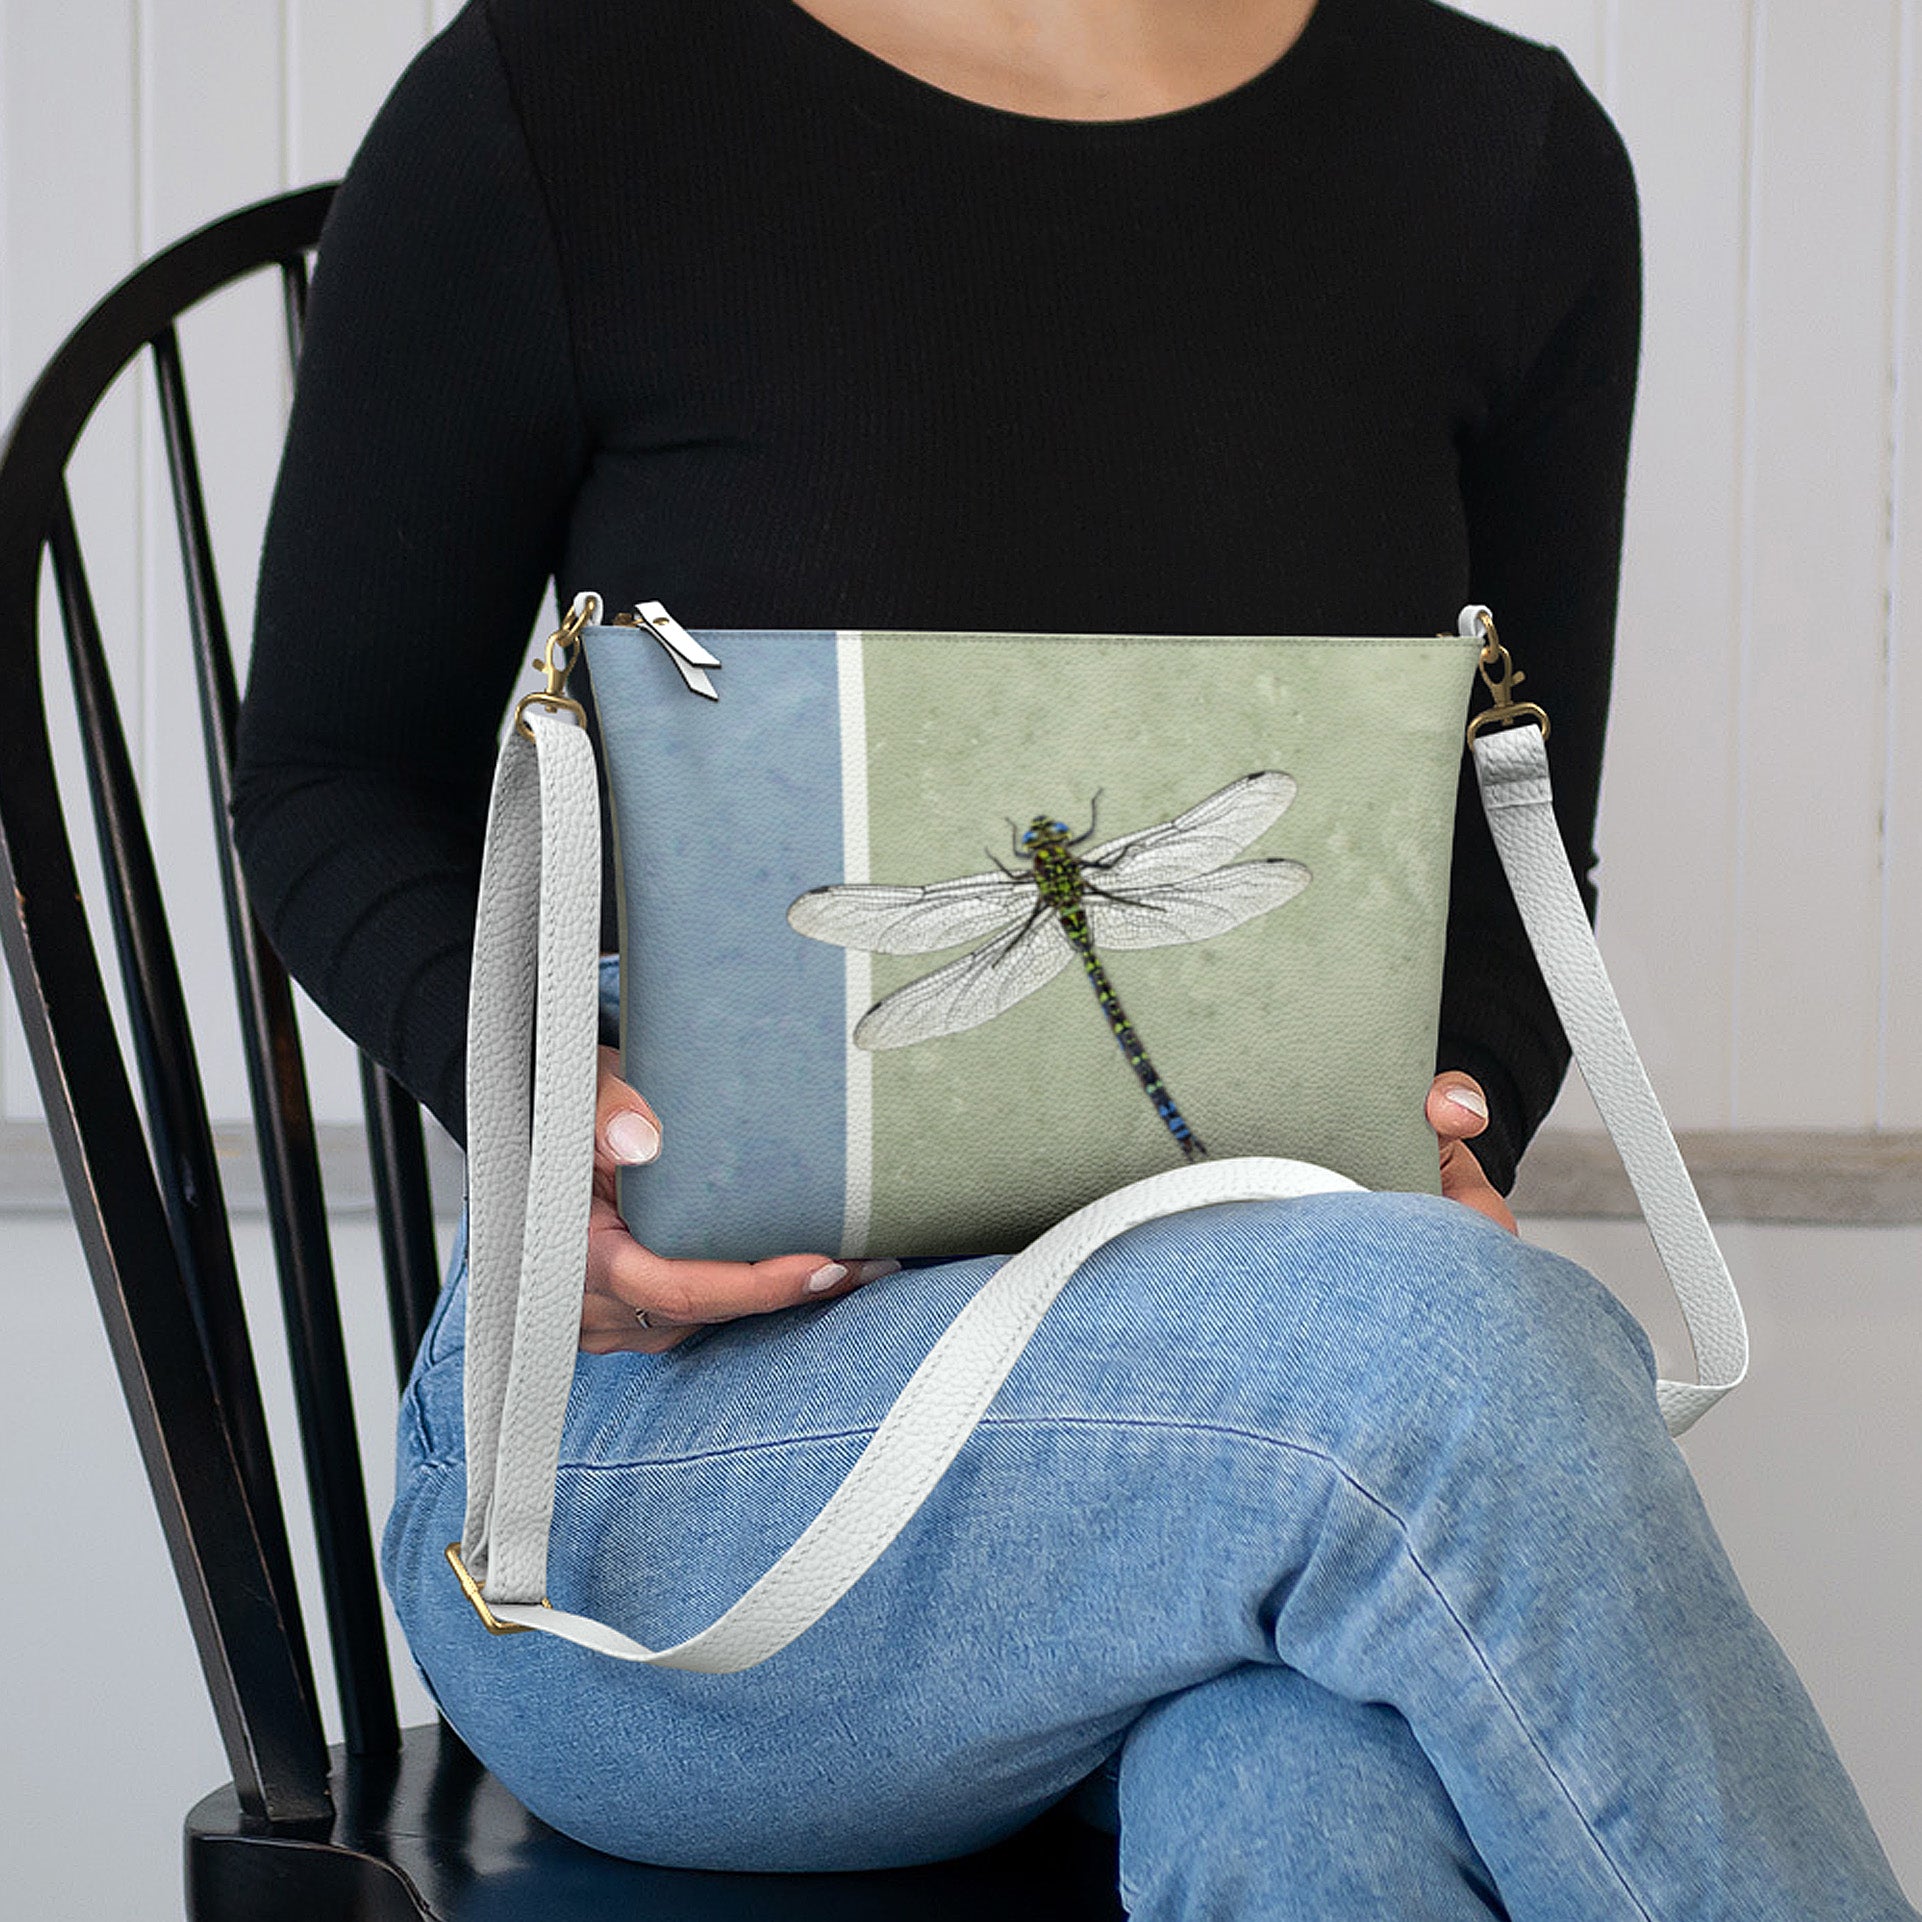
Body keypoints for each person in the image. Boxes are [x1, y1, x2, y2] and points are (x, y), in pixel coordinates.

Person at [230, 0, 1919, 1914]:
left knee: (1306, 1800)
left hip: (1261, 1443)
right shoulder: (559, 96)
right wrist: (551, 1130)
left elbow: (1502, 854)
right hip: (680, 1485)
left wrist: (1461, 1110)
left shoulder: (1501, 160)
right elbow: (322, 780)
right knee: (1447, 1352)